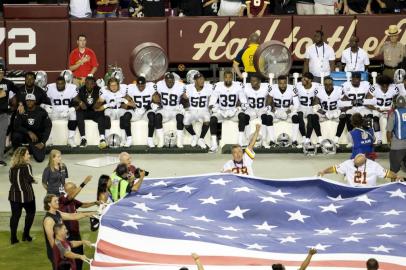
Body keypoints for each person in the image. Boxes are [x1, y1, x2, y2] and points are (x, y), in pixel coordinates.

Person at [43, 194, 95, 270]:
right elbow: (52, 241)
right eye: (55, 201)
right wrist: (63, 254)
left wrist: (88, 214)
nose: (58, 202)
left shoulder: (57, 213)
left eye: (58, 200)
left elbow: (72, 216)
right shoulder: (49, 220)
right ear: (49, 204)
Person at [59, 178, 99, 270]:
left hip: (76, 233)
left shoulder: (72, 200)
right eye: (74, 188)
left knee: (79, 255)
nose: (76, 189)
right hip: (67, 235)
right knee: (70, 257)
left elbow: (83, 205)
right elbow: (71, 196)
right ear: (70, 190)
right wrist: (84, 183)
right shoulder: (62, 199)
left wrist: (94, 203)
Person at [209, 70, 247, 152]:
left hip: (233, 111)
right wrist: (218, 110)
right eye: (226, 77)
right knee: (212, 119)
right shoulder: (217, 86)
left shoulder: (238, 86)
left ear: (232, 78)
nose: (228, 79)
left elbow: (244, 102)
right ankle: (214, 144)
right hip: (221, 111)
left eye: (230, 77)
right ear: (223, 78)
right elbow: (211, 103)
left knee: (243, 116)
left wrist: (238, 108)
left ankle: (240, 141)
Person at [317, 153, 401, 187]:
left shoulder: (373, 165)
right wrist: (324, 171)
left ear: (364, 163)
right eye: (354, 163)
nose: (354, 165)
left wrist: (396, 176)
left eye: (357, 165)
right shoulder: (349, 163)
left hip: (367, 191)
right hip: (353, 190)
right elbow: (334, 168)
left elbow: (387, 173)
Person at [12, 94, 52, 162]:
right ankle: (17, 153)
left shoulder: (42, 111)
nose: (29, 102)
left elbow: (48, 127)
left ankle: (29, 148)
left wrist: (43, 142)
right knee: (16, 135)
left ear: (35, 101)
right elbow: (16, 126)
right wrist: (28, 132)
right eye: (27, 100)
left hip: (37, 137)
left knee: (40, 159)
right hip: (25, 135)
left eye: (31, 101)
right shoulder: (21, 110)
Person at [8, 147, 36, 244]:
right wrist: (34, 180)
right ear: (22, 156)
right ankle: (26, 235)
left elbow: (11, 180)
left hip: (14, 195)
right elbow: (30, 178)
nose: (29, 155)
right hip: (27, 195)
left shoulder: (11, 168)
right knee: (31, 213)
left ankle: (13, 238)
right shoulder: (27, 166)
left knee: (15, 216)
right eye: (27, 154)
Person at [335, 72, 372, 146]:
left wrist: (366, 101)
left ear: (360, 79)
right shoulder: (345, 85)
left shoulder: (366, 85)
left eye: (357, 78)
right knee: (348, 117)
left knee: (369, 116)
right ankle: (351, 140)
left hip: (363, 107)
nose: (356, 80)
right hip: (352, 107)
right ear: (351, 79)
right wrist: (350, 102)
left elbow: (370, 96)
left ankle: (369, 138)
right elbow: (342, 97)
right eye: (354, 78)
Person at [95, 77, 133, 147]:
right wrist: (107, 105)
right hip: (110, 110)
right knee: (107, 113)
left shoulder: (122, 92)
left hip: (120, 109)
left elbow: (133, 104)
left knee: (123, 115)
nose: (113, 87)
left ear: (118, 85)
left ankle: (123, 139)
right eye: (111, 85)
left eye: (115, 85)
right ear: (108, 86)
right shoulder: (105, 92)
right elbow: (96, 108)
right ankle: (105, 139)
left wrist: (125, 101)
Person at [73, 76, 108, 148]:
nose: (89, 85)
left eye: (91, 83)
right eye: (87, 83)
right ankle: (83, 138)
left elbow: (102, 101)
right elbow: (74, 98)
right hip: (85, 111)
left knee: (101, 115)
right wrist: (80, 102)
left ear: (94, 84)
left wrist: (97, 105)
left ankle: (102, 138)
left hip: (95, 110)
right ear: (85, 83)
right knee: (79, 113)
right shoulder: (81, 89)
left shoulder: (99, 90)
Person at [126, 76, 161, 148]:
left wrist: (153, 103)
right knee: (126, 116)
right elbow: (126, 99)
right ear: (136, 85)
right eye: (139, 86)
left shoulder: (150, 87)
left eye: (142, 85)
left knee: (152, 115)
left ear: (146, 84)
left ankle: (150, 139)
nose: (141, 87)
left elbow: (157, 100)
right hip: (136, 111)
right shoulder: (131, 88)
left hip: (146, 111)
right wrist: (130, 103)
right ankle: (129, 139)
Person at [239, 73, 273, 147]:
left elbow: (271, 95)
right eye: (251, 81)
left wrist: (268, 105)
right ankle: (248, 139)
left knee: (265, 117)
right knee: (245, 118)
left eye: (254, 81)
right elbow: (241, 97)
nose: (252, 83)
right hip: (251, 109)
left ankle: (263, 140)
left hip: (261, 108)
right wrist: (243, 104)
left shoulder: (266, 86)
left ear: (259, 82)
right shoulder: (246, 87)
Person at [155, 72, 187, 148]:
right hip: (165, 109)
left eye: (172, 81)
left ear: (174, 80)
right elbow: (153, 95)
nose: (170, 83)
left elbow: (187, 97)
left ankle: (179, 141)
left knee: (180, 117)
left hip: (175, 109)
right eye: (168, 81)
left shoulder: (180, 86)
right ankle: (161, 140)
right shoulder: (159, 84)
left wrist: (184, 105)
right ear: (164, 81)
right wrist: (155, 102)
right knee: (157, 117)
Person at [181, 73, 213, 149]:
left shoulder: (209, 87)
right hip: (192, 110)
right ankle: (194, 135)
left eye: (203, 79)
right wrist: (184, 98)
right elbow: (183, 98)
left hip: (203, 110)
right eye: (200, 79)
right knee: (185, 121)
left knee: (207, 118)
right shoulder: (188, 88)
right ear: (195, 81)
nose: (202, 81)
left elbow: (214, 95)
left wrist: (211, 105)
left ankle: (201, 139)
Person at [46, 76, 78, 147]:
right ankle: (48, 138)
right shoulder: (50, 88)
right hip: (54, 111)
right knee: (45, 114)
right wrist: (47, 107)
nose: (60, 85)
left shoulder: (72, 88)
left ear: (65, 84)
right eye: (58, 84)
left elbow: (77, 103)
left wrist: (71, 109)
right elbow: (44, 101)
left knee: (73, 113)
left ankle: (71, 138)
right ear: (55, 84)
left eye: (62, 84)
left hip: (66, 111)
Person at [269, 75, 300, 146]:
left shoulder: (292, 88)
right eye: (280, 83)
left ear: (287, 82)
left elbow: (296, 104)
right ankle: (272, 140)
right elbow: (269, 102)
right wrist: (275, 112)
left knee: (296, 117)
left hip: (288, 110)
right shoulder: (273, 88)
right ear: (277, 83)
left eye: (284, 83)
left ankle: (294, 140)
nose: (282, 85)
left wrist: (287, 112)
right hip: (276, 109)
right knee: (268, 118)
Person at [367, 75, 399, 145]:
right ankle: (379, 139)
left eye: (386, 86)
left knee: (393, 122)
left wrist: (393, 107)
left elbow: (397, 100)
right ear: (379, 85)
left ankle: (392, 140)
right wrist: (375, 108)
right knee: (375, 119)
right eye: (383, 86)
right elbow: (367, 102)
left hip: (389, 109)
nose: (384, 88)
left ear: (389, 85)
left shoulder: (394, 88)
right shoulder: (374, 88)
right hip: (377, 108)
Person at [294, 72, 321, 147]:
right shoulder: (298, 86)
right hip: (301, 106)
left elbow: (317, 98)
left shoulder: (316, 86)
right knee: (299, 116)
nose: (302, 79)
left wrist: (315, 107)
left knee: (310, 118)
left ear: (310, 80)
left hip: (310, 107)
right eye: (302, 78)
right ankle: (303, 137)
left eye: (304, 78)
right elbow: (294, 97)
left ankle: (307, 139)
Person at [313, 76, 343, 143]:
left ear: (333, 84)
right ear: (324, 85)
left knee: (344, 117)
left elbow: (345, 104)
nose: (328, 86)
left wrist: (339, 111)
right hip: (324, 113)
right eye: (326, 84)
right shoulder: (319, 91)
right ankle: (319, 138)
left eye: (330, 84)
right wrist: (324, 113)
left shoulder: (339, 90)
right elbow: (315, 106)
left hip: (336, 113)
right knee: (313, 117)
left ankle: (337, 138)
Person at [0, 65, 17, 166]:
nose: (0, 74)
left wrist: (19, 103)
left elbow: (19, 92)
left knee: (1, 136)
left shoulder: (8, 83)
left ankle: (0, 158)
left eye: (2, 72)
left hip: (3, 113)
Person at [387, 96, 406, 173]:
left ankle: (393, 184)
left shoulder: (393, 114)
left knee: (393, 171)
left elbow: (389, 131)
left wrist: (389, 142)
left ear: (396, 104)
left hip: (397, 146)